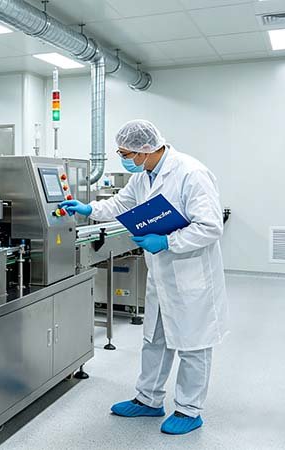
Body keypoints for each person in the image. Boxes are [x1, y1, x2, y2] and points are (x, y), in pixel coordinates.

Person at [59, 119, 228, 435]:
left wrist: (168, 241)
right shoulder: (144, 176)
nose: (123, 158)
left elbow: (210, 227)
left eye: (125, 153)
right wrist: (87, 208)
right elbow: (120, 204)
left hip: (190, 277)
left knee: (193, 344)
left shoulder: (191, 174)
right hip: (161, 274)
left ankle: (190, 411)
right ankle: (148, 400)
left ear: (144, 149)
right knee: (154, 338)